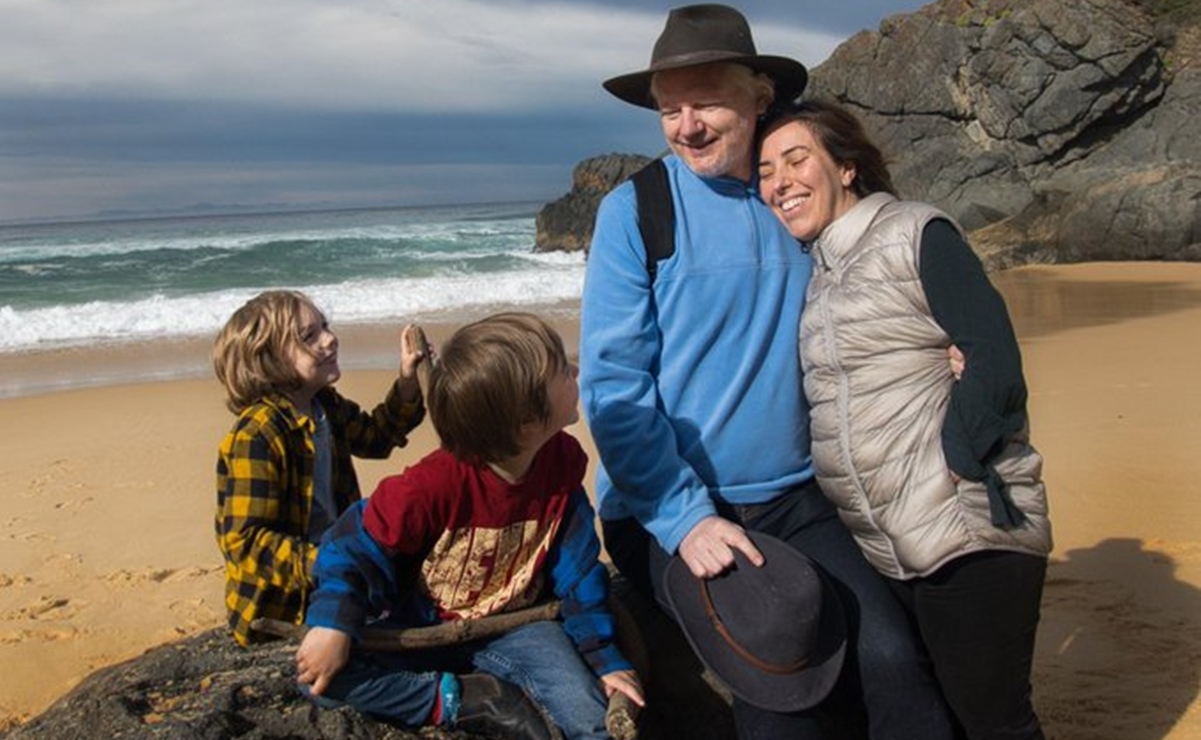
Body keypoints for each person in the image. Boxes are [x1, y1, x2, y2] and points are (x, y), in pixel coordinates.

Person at [580, 4, 956, 739]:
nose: (686, 125)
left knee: (889, 657)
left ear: (759, 97)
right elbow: (612, 390)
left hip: (798, 497)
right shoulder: (636, 212)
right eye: (668, 108)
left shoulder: (796, 195)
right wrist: (686, 520)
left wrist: (939, 347)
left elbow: (878, 287)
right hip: (665, 512)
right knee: (777, 688)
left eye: (706, 101)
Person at [757, 98, 1053, 740]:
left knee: (995, 722)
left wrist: (958, 459)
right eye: (765, 170)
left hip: (964, 527)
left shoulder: (916, 233)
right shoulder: (821, 272)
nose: (779, 180)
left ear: (847, 167)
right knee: (947, 708)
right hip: (892, 542)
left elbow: (994, 359)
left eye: (797, 158)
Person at [294, 312, 645, 740]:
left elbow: (580, 572)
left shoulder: (562, 465)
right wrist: (332, 624)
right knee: (319, 681)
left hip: (519, 626)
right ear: (528, 422)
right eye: (561, 371)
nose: (575, 371)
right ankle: (463, 697)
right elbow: (349, 547)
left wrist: (604, 659)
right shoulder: (433, 484)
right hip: (421, 628)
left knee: (590, 720)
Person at [213, 289, 427, 647]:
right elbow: (244, 543)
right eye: (308, 336)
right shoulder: (258, 435)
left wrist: (407, 382)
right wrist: (325, 561)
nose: (330, 339)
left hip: (333, 569)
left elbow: (376, 437)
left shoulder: (324, 406)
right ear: (268, 360)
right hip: (281, 607)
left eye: (324, 326)